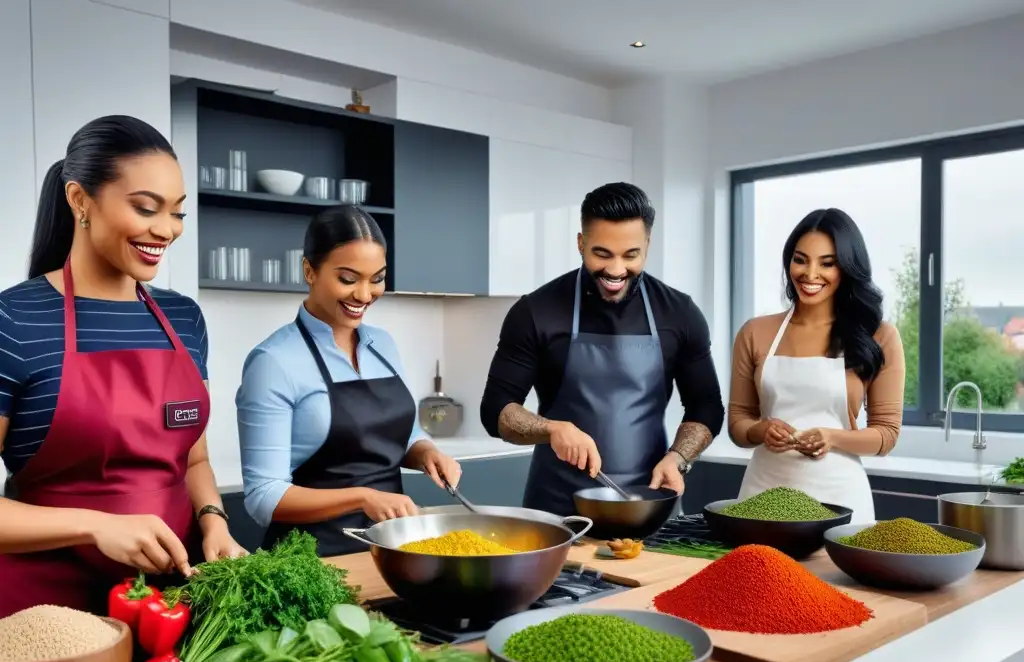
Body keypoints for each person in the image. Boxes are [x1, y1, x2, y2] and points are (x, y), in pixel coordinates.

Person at [0, 116, 245, 618]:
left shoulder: (183, 318)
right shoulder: (14, 320)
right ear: (79, 200)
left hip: (174, 602)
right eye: (145, 208)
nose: (166, 230)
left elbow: (192, 460)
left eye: (177, 213)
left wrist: (213, 520)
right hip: (48, 612)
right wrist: (95, 525)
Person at [480, 182, 725, 516]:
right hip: (558, 512)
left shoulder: (679, 313)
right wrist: (551, 429)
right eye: (602, 253)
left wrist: (678, 458)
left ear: (648, 246)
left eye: (631, 255)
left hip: (650, 508)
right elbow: (496, 410)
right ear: (581, 243)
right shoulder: (536, 311)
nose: (615, 270)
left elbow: (706, 406)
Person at [236, 205, 462, 556]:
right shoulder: (274, 362)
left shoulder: (382, 345)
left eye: (377, 278)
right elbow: (263, 497)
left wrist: (426, 451)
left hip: (391, 552)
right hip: (310, 563)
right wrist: (362, 498)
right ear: (309, 271)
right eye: (348, 278)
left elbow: (399, 435)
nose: (364, 294)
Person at [728, 208, 906, 523]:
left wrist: (831, 436)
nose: (810, 274)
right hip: (762, 495)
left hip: (840, 497)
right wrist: (761, 429)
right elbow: (738, 423)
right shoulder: (755, 332)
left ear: (848, 268)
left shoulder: (878, 335)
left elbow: (886, 435)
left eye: (827, 263)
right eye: (800, 259)